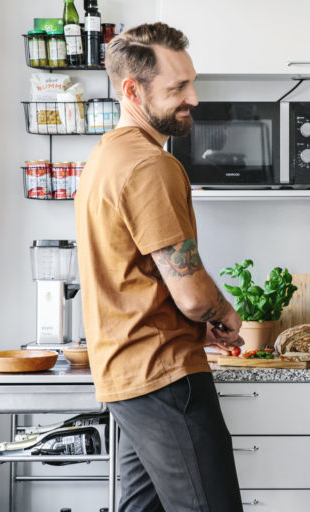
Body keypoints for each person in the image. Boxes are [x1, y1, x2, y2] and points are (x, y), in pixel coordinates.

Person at [75, 22, 244, 511]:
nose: (194, 97)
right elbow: (191, 294)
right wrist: (223, 314)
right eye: (177, 87)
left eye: (191, 81)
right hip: (165, 373)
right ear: (133, 90)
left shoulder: (105, 157)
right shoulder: (150, 165)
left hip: (126, 376)